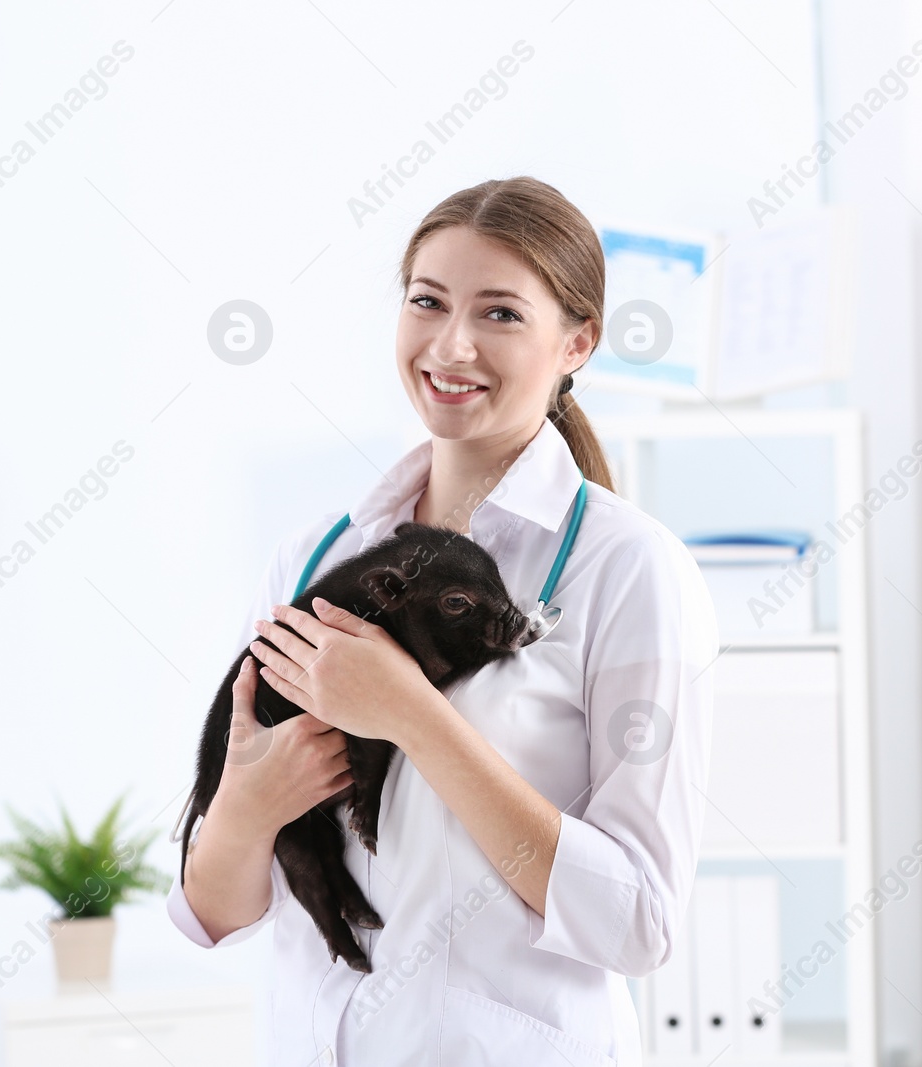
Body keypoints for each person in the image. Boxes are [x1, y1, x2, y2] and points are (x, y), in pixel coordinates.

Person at [167, 176, 717, 1066]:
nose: (451, 344)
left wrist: (411, 716)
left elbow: (639, 923)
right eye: (428, 301)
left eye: (500, 314)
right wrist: (248, 806)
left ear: (577, 341)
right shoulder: (311, 559)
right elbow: (215, 911)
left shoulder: (628, 570)